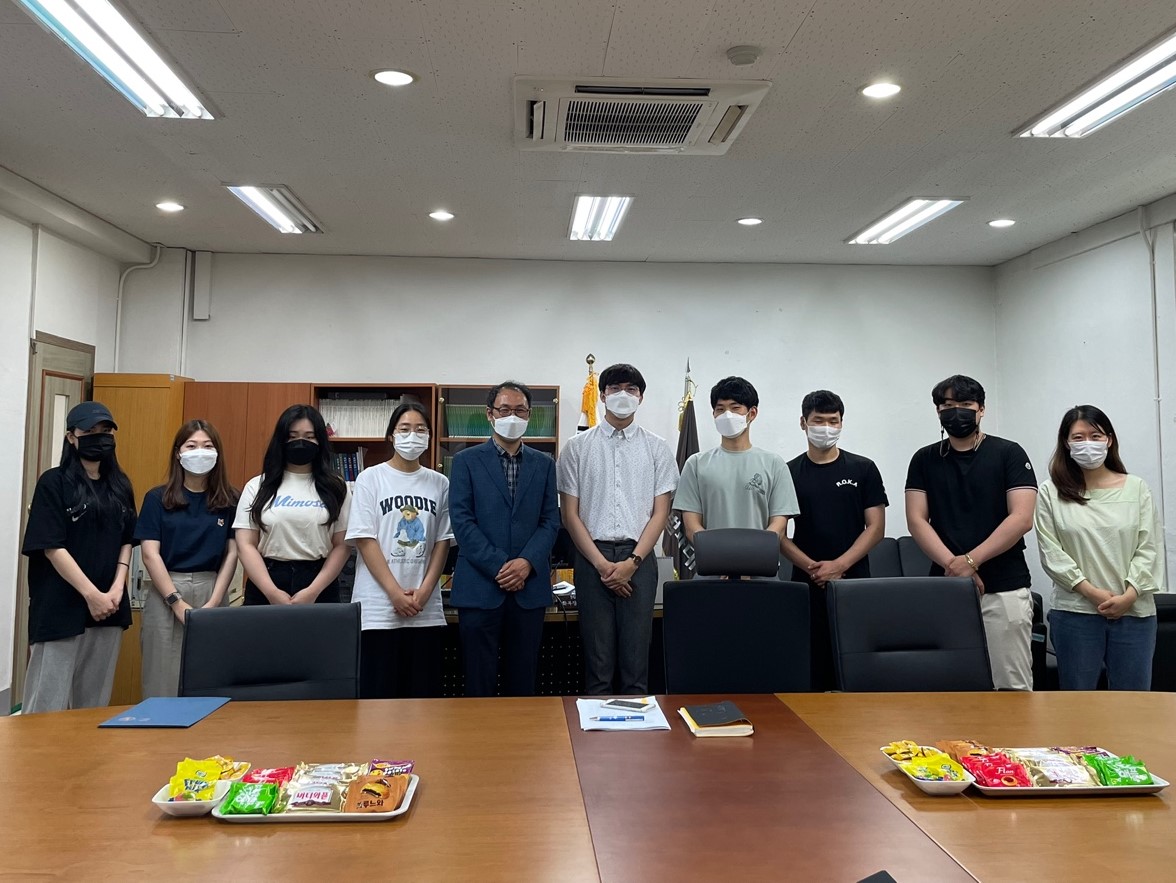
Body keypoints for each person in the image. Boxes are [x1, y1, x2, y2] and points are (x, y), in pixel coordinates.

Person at [905, 375, 1038, 690]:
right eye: (948, 405)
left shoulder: (1009, 453)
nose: (956, 411)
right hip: (946, 584)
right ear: (938, 411)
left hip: (1004, 587)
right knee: (949, 686)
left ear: (981, 409)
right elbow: (916, 519)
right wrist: (955, 567)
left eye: (965, 404)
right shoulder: (924, 459)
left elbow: (1021, 518)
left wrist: (970, 561)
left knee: (1010, 687)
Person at [558, 363, 679, 695]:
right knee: (598, 665)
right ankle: (596, 730)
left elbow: (660, 513)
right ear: (602, 395)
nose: (623, 395)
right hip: (591, 558)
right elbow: (570, 515)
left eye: (631, 389)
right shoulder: (576, 447)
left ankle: (636, 728)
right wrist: (602, 565)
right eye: (615, 389)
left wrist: (632, 563)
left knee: (636, 664)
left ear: (641, 397)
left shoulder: (657, 448)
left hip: (638, 558)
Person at [1034, 405, 1165, 690]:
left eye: (1095, 436)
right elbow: (1051, 552)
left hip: (1134, 612)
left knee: (1133, 703)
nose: (1087, 444)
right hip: (1075, 613)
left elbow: (1149, 547)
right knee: (1078, 703)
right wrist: (1090, 592)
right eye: (1078, 437)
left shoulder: (1136, 488)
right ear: (1066, 443)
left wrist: (1129, 595)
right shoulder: (1051, 491)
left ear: (1109, 440)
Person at [21, 402, 136, 712]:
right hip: (60, 606)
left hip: (109, 606)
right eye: (89, 431)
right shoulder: (53, 482)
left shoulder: (120, 486)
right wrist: (91, 595)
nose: (99, 437)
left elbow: (127, 540)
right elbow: (52, 547)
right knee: (47, 705)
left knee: (93, 706)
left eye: (105, 431)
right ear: (71, 437)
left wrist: (116, 588)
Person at [449, 381, 560, 697]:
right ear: (490, 414)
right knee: (478, 683)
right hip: (479, 588)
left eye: (520, 410)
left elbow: (550, 521)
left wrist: (526, 563)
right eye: (505, 410)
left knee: (522, 684)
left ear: (530, 415)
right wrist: (500, 565)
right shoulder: (465, 461)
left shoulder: (544, 463)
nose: (513, 416)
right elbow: (462, 522)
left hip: (529, 589)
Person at [780, 390, 888, 690]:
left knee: (856, 665)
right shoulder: (787, 472)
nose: (826, 428)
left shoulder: (863, 468)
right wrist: (814, 568)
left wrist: (839, 565)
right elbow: (778, 533)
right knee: (810, 666)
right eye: (818, 421)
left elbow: (876, 527)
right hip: (805, 583)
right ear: (803, 423)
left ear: (841, 423)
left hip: (855, 582)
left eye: (833, 421)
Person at [347, 402, 452, 698]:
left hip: (425, 609)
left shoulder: (440, 483)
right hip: (378, 609)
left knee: (423, 700)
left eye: (420, 429)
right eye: (405, 429)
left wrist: (425, 592)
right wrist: (395, 593)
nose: (412, 436)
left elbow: (442, 541)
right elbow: (365, 539)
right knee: (378, 701)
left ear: (429, 436)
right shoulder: (370, 478)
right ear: (391, 436)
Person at [135, 420, 239, 697]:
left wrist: (215, 601)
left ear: (217, 453)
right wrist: (175, 601)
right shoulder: (157, 498)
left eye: (207, 446)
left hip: (212, 588)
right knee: (161, 680)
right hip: (166, 590)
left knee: (212, 678)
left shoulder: (230, 499)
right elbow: (150, 554)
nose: (200, 452)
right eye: (191, 446)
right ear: (178, 453)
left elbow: (232, 553)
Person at [234, 404, 351, 605]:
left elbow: (342, 545)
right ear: (281, 440)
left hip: (320, 582)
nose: (300, 443)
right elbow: (245, 544)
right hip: (266, 581)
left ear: (320, 441)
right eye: (292, 436)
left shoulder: (337, 487)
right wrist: (271, 592)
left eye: (309, 436)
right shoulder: (257, 486)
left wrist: (313, 591)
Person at [673, 375, 799, 543]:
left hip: (759, 558)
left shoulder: (775, 464)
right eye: (720, 409)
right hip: (713, 558)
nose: (727, 415)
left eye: (735, 408)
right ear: (714, 414)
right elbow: (691, 527)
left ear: (752, 413)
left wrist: (753, 551)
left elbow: (779, 525)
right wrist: (719, 552)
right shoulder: (696, 465)